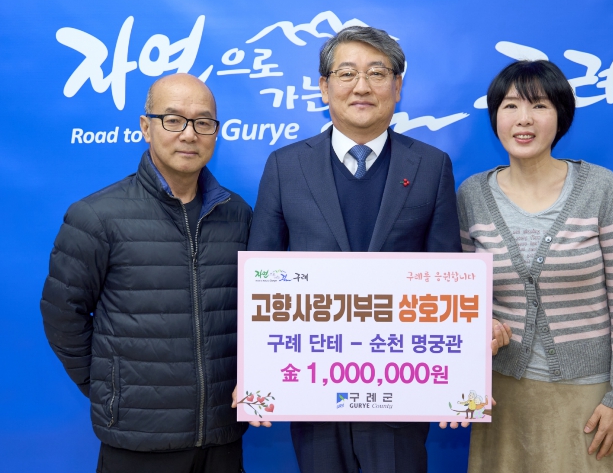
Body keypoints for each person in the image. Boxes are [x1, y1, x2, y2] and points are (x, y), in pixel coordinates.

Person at [244, 25, 461, 473]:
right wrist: (256, 378)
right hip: (312, 392)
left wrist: (456, 381)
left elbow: (448, 278)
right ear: (324, 87)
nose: (361, 86)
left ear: (397, 87)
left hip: (402, 393)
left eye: (376, 73)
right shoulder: (285, 166)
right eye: (347, 74)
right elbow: (259, 280)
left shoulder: (431, 166)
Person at [40, 73, 253, 473]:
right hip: (136, 440)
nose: (189, 134)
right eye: (173, 120)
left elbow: (258, 315)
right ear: (146, 126)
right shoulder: (96, 216)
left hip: (222, 437)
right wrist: (112, 391)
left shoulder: (238, 215)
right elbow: (62, 314)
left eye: (203, 122)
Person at [457, 60, 613, 472]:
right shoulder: (471, 195)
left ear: (561, 116)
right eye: (510, 106)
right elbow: (461, 300)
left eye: (539, 105)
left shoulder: (600, 187)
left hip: (586, 394)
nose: (523, 119)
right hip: (499, 391)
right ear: (495, 116)